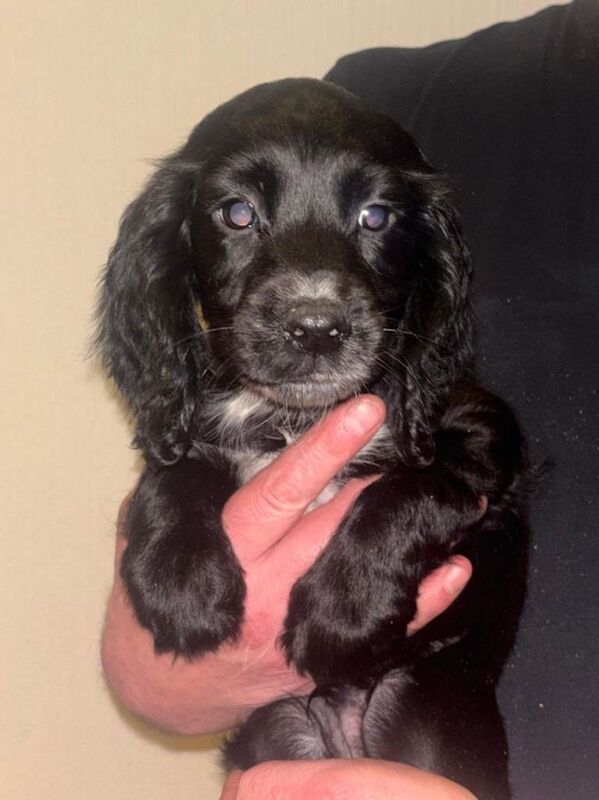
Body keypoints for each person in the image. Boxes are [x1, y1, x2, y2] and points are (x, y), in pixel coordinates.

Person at [103, 2, 599, 797]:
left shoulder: (437, 400)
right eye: (238, 214)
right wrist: (163, 645)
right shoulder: (397, 91)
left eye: (372, 217)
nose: (311, 302)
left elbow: (477, 454)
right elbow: (163, 667)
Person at [103, 396, 476, 798]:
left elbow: (472, 464)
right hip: (284, 748)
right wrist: (148, 674)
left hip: (453, 725)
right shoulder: (211, 421)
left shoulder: (449, 422)